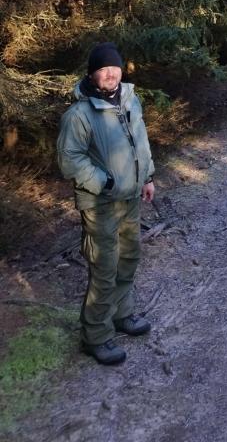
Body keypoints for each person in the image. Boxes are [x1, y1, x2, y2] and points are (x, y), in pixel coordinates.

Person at [56, 42, 155, 366]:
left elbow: (141, 140)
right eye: (103, 69)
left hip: (131, 197)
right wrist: (104, 182)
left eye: (114, 67)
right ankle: (95, 336)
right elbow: (69, 160)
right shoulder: (79, 115)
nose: (111, 73)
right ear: (91, 75)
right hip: (100, 204)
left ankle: (121, 314)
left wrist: (148, 176)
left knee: (129, 257)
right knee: (105, 268)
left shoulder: (130, 99)